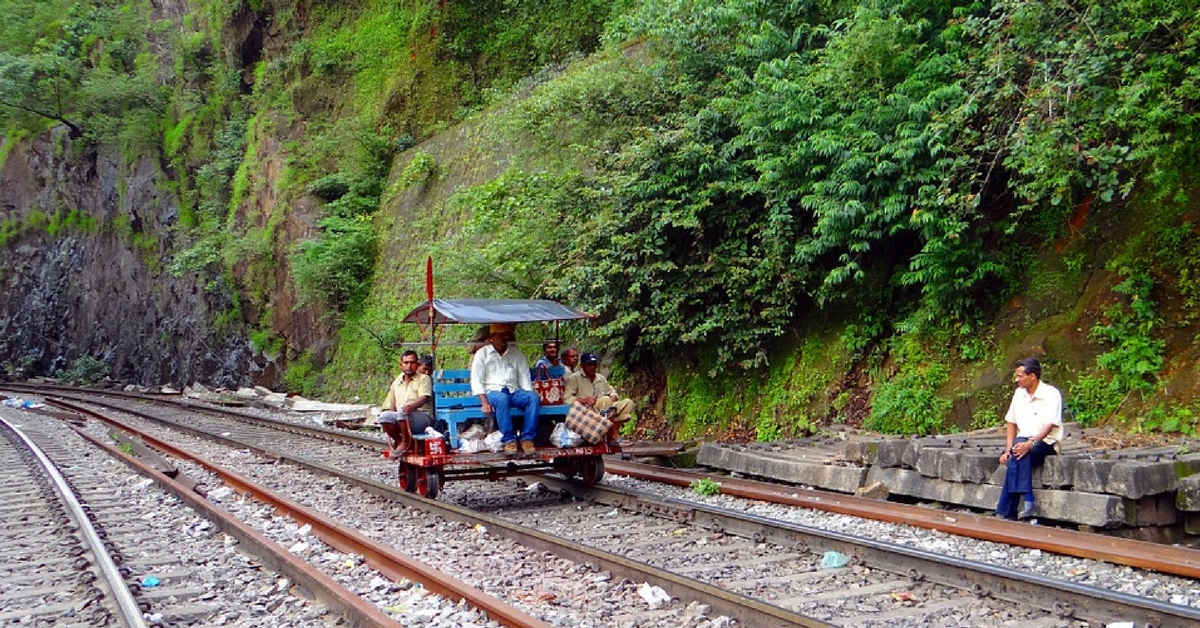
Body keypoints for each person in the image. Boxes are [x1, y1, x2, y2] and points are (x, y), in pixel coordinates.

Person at [996, 357, 1064, 520]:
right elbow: (1011, 422)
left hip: (1045, 442)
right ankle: (1026, 500)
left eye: (1020, 376)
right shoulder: (1019, 394)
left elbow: (1048, 426)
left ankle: (1008, 508)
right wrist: (1007, 450)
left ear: (1032, 376)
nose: (1016, 380)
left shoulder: (1051, 394)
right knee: (1016, 453)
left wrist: (1030, 443)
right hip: (1021, 441)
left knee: (1019, 452)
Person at [470, 323, 540, 455]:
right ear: (491, 338)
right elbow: (476, 379)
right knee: (502, 399)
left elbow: (524, 379)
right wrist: (484, 402)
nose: (504, 337)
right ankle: (509, 440)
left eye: (505, 334)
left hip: (514, 392)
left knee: (533, 397)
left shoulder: (517, 354)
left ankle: (527, 438)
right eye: (500, 335)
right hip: (493, 392)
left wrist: (528, 393)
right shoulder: (482, 354)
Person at [564, 352, 634, 440]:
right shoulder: (574, 378)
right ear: (582, 366)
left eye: (594, 364)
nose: (592, 367)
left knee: (628, 403)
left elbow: (611, 390)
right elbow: (567, 399)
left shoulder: (600, 378)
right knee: (606, 400)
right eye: (589, 365)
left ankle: (610, 431)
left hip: (606, 408)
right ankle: (613, 435)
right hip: (588, 410)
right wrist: (585, 400)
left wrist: (613, 395)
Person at [379, 350, 434, 456]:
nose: (409, 366)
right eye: (406, 363)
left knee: (402, 411)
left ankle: (405, 442)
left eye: (412, 363)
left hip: (421, 419)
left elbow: (423, 398)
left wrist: (411, 406)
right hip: (402, 418)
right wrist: (389, 416)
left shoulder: (424, 378)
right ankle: (399, 441)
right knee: (384, 417)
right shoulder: (397, 381)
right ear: (401, 365)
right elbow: (389, 404)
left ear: (417, 364)